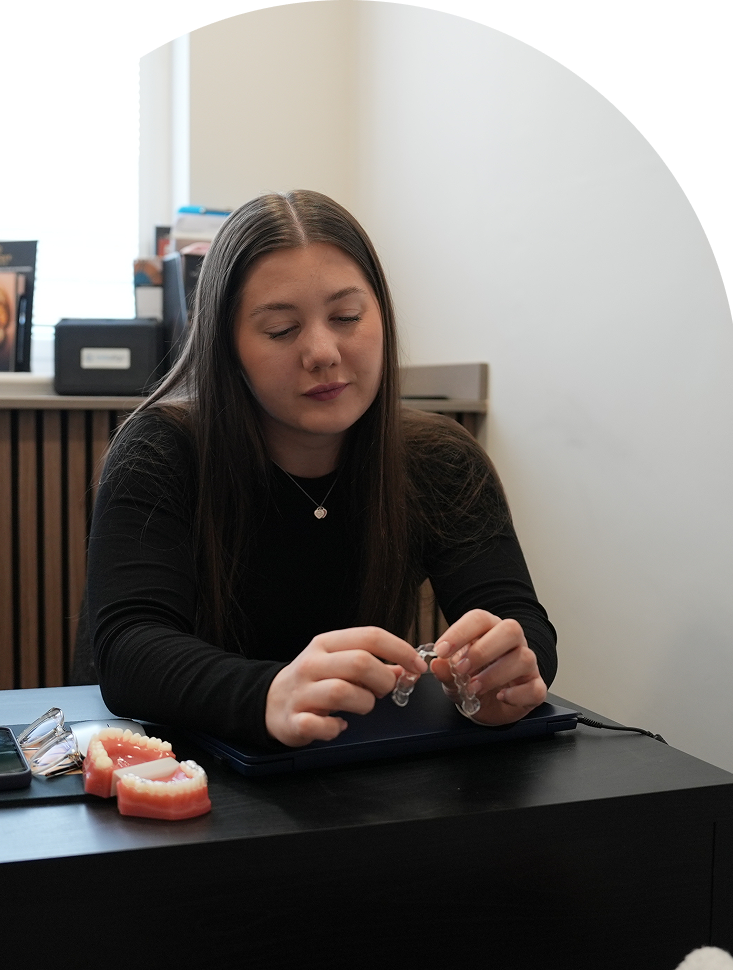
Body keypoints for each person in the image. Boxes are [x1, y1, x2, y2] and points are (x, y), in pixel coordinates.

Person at [87, 190, 556, 748]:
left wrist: (506, 673)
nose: (322, 351)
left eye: (347, 317)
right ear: (227, 348)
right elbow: (129, 651)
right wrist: (271, 694)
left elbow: (519, 623)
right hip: (171, 771)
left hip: (354, 774)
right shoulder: (161, 449)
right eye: (282, 330)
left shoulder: (440, 459)